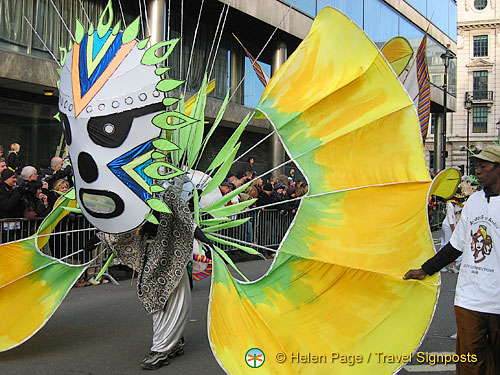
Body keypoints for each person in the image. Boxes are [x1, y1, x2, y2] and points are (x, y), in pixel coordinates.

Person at [404, 145, 500, 375]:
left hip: (497, 301)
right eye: (477, 165)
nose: (477, 171)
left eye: (483, 166)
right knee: (468, 364)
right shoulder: (474, 201)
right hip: (469, 299)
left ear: (498, 169)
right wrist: (425, 269)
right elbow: (455, 245)